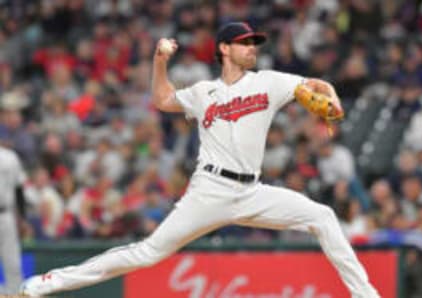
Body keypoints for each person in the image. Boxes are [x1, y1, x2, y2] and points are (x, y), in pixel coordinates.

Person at [20, 22, 380, 298]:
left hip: (252, 191)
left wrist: (332, 99)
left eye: (254, 43)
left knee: (323, 216)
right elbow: (162, 100)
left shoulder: (269, 81)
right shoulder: (202, 92)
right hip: (210, 189)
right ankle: (47, 283)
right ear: (224, 48)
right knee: (146, 253)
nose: (252, 47)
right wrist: (160, 62)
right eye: (244, 43)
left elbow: (315, 85)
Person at [0, 144, 26, 294]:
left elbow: (19, 188)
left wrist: (22, 217)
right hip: (7, 215)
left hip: (6, 214)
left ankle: (16, 294)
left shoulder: (10, 157)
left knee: (13, 263)